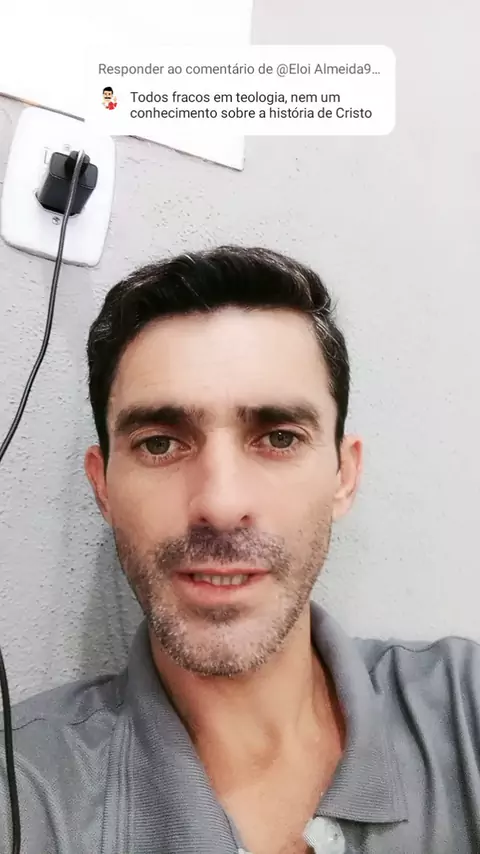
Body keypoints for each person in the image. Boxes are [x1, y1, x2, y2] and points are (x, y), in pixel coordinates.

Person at [1, 245, 480, 854]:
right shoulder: (24, 790)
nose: (222, 504)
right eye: (159, 443)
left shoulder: (465, 707)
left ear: (343, 475)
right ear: (103, 487)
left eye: (279, 437)